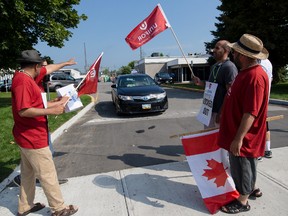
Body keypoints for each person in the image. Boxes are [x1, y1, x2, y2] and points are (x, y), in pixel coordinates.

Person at [11, 50, 78, 216]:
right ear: (35, 66)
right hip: (33, 137)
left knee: (28, 175)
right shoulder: (23, 82)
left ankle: (25, 207)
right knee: (48, 174)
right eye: (40, 65)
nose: (42, 68)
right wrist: (52, 111)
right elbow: (24, 110)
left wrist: (51, 103)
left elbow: (34, 103)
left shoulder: (25, 77)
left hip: (27, 136)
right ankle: (59, 209)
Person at [218, 34, 269, 214]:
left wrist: (238, 138)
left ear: (245, 56)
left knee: (243, 166)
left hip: (245, 136)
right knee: (242, 166)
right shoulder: (245, 72)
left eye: (237, 52)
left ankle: (242, 201)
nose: (234, 55)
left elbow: (251, 113)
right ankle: (249, 188)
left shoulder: (255, 77)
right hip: (235, 131)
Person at [193, 40, 238, 128]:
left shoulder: (229, 67)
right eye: (214, 47)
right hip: (209, 111)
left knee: (218, 141)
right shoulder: (214, 66)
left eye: (217, 48)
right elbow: (211, 86)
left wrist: (221, 113)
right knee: (208, 139)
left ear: (226, 50)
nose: (213, 50)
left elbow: (231, 93)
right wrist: (200, 82)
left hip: (220, 113)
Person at [259, 59, 273, 159]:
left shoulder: (259, 64)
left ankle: (259, 151)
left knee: (257, 127)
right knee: (265, 125)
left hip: (259, 100)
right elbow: (271, 78)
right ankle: (267, 149)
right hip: (264, 99)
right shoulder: (268, 62)